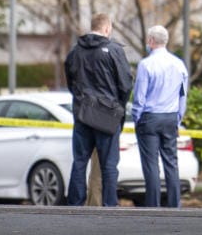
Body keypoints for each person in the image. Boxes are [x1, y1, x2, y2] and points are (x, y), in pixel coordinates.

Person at [64, 13, 132, 207]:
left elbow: (70, 79)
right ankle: (110, 204)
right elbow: (126, 83)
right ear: (107, 28)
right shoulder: (113, 50)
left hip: (83, 113)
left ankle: (75, 204)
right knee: (109, 164)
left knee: (79, 161)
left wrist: (80, 99)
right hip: (108, 115)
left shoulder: (76, 51)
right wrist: (118, 107)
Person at [130, 25, 189, 208]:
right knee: (171, 163)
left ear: (151, 41)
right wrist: (178, 118)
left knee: (151, 165)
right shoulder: (179, 64)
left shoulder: (146, 65)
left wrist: (136, 117)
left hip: (150, 117)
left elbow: (139, 96)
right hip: (170, 117)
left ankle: (153, 206)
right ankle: (174, 205)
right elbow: (182, 95)